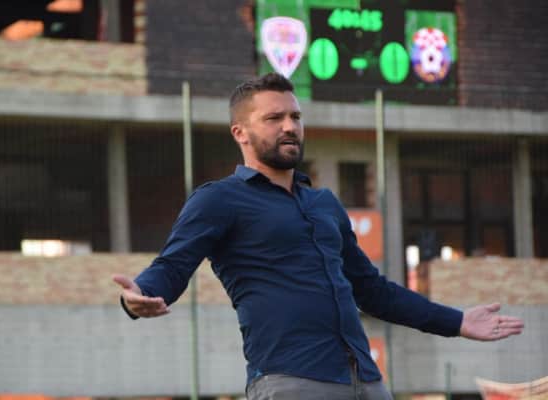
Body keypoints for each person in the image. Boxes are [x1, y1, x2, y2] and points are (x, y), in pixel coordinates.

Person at [113, 73, 524, 400]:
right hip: (291, 381)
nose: (289, 127)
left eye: (295, 117)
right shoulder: (219, 199)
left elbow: (372, 290)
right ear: (240, 132)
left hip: (366, 381)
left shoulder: (324, 203)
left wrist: (456, 321)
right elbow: (173, 264)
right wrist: (140, 294)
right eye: (274, 119)